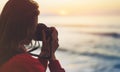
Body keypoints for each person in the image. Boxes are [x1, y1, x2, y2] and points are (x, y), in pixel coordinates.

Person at [0, 0, 65, 72]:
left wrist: (44, 54)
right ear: (27, 28)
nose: (35, 30)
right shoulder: (23, 62)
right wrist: (52, 57)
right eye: (35, 26)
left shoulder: (6, 53)